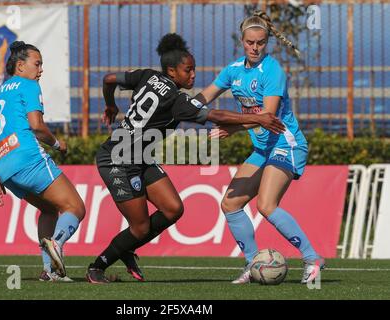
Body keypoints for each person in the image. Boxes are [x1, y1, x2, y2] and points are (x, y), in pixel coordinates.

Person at [85, 33, 286, 284]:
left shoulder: (147, 75)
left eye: (193, 70)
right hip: (118, 158)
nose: (193, 75)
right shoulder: (176, 100)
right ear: (172, 71)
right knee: (140, 228)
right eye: (187, 70)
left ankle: (126, 247)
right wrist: (257, 118)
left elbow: (108, 79)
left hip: (141, 157)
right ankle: (97, 267)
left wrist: (110, 105)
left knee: (173, 209)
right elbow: (218, 115)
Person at [196, 11, 324, 284]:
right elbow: (204, 97)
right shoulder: (233, 70)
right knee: (230, 203)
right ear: (242, 41)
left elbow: (267, 117)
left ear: (267, 43)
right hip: (263, 149)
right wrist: (179, 106)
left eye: (261, 43)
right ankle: (253, 264)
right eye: (250, 42)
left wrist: (232, 127)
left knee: (266, 205)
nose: (255, 47)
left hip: (285, 144)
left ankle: (313, 259)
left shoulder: (272, 70)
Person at [0, 41, 86, 282]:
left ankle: (50, 271)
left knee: (49, 210)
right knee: (76, 208)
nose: (40, 70)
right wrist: (58, 144)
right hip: (28, 158)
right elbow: (36, 126)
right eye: (37, 64)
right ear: (20, 66)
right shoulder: (29, 85)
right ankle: (56, 244)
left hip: (5, 169)